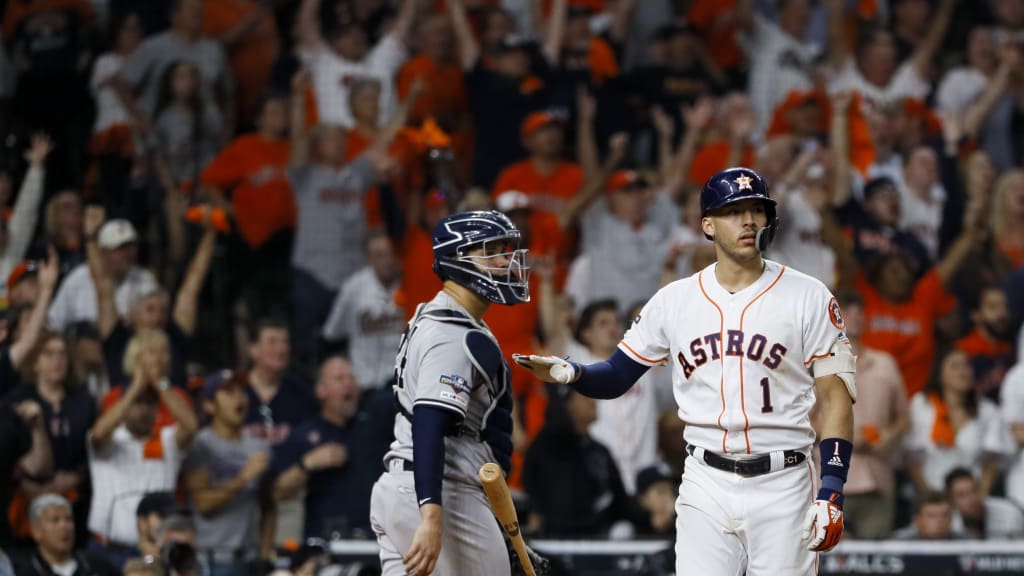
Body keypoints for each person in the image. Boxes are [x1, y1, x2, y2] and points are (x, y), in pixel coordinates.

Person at [515, 167, 856, 574]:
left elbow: (835, 396)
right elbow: (618, 375)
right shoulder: (674, 301)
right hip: (705, 480)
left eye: (756, 210)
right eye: (734, 212)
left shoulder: (810, 295)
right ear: (707, 226)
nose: (748, 221)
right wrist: (573, 374)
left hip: (784, 480)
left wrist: (832, 489)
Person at [369, 210, 530, 575]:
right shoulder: (452, 334)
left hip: (403, 488)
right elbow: (429, 422)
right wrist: (430, 516)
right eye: (491, 251)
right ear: (457, 259)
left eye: (505, 250)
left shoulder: (438, 317)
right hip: (442, 492)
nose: (506, 261)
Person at [12, 494, 118, 576]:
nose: (64, 526)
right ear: (36, 531)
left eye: (68, 519)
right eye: (55, 520)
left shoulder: (97, 566)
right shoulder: (23, 572)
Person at [944, 467, 1024, 540]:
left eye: (974, 490)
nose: (971, 499)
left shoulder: (1009, 513)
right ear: (952, 502)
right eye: (962, 495)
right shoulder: (947, 523)